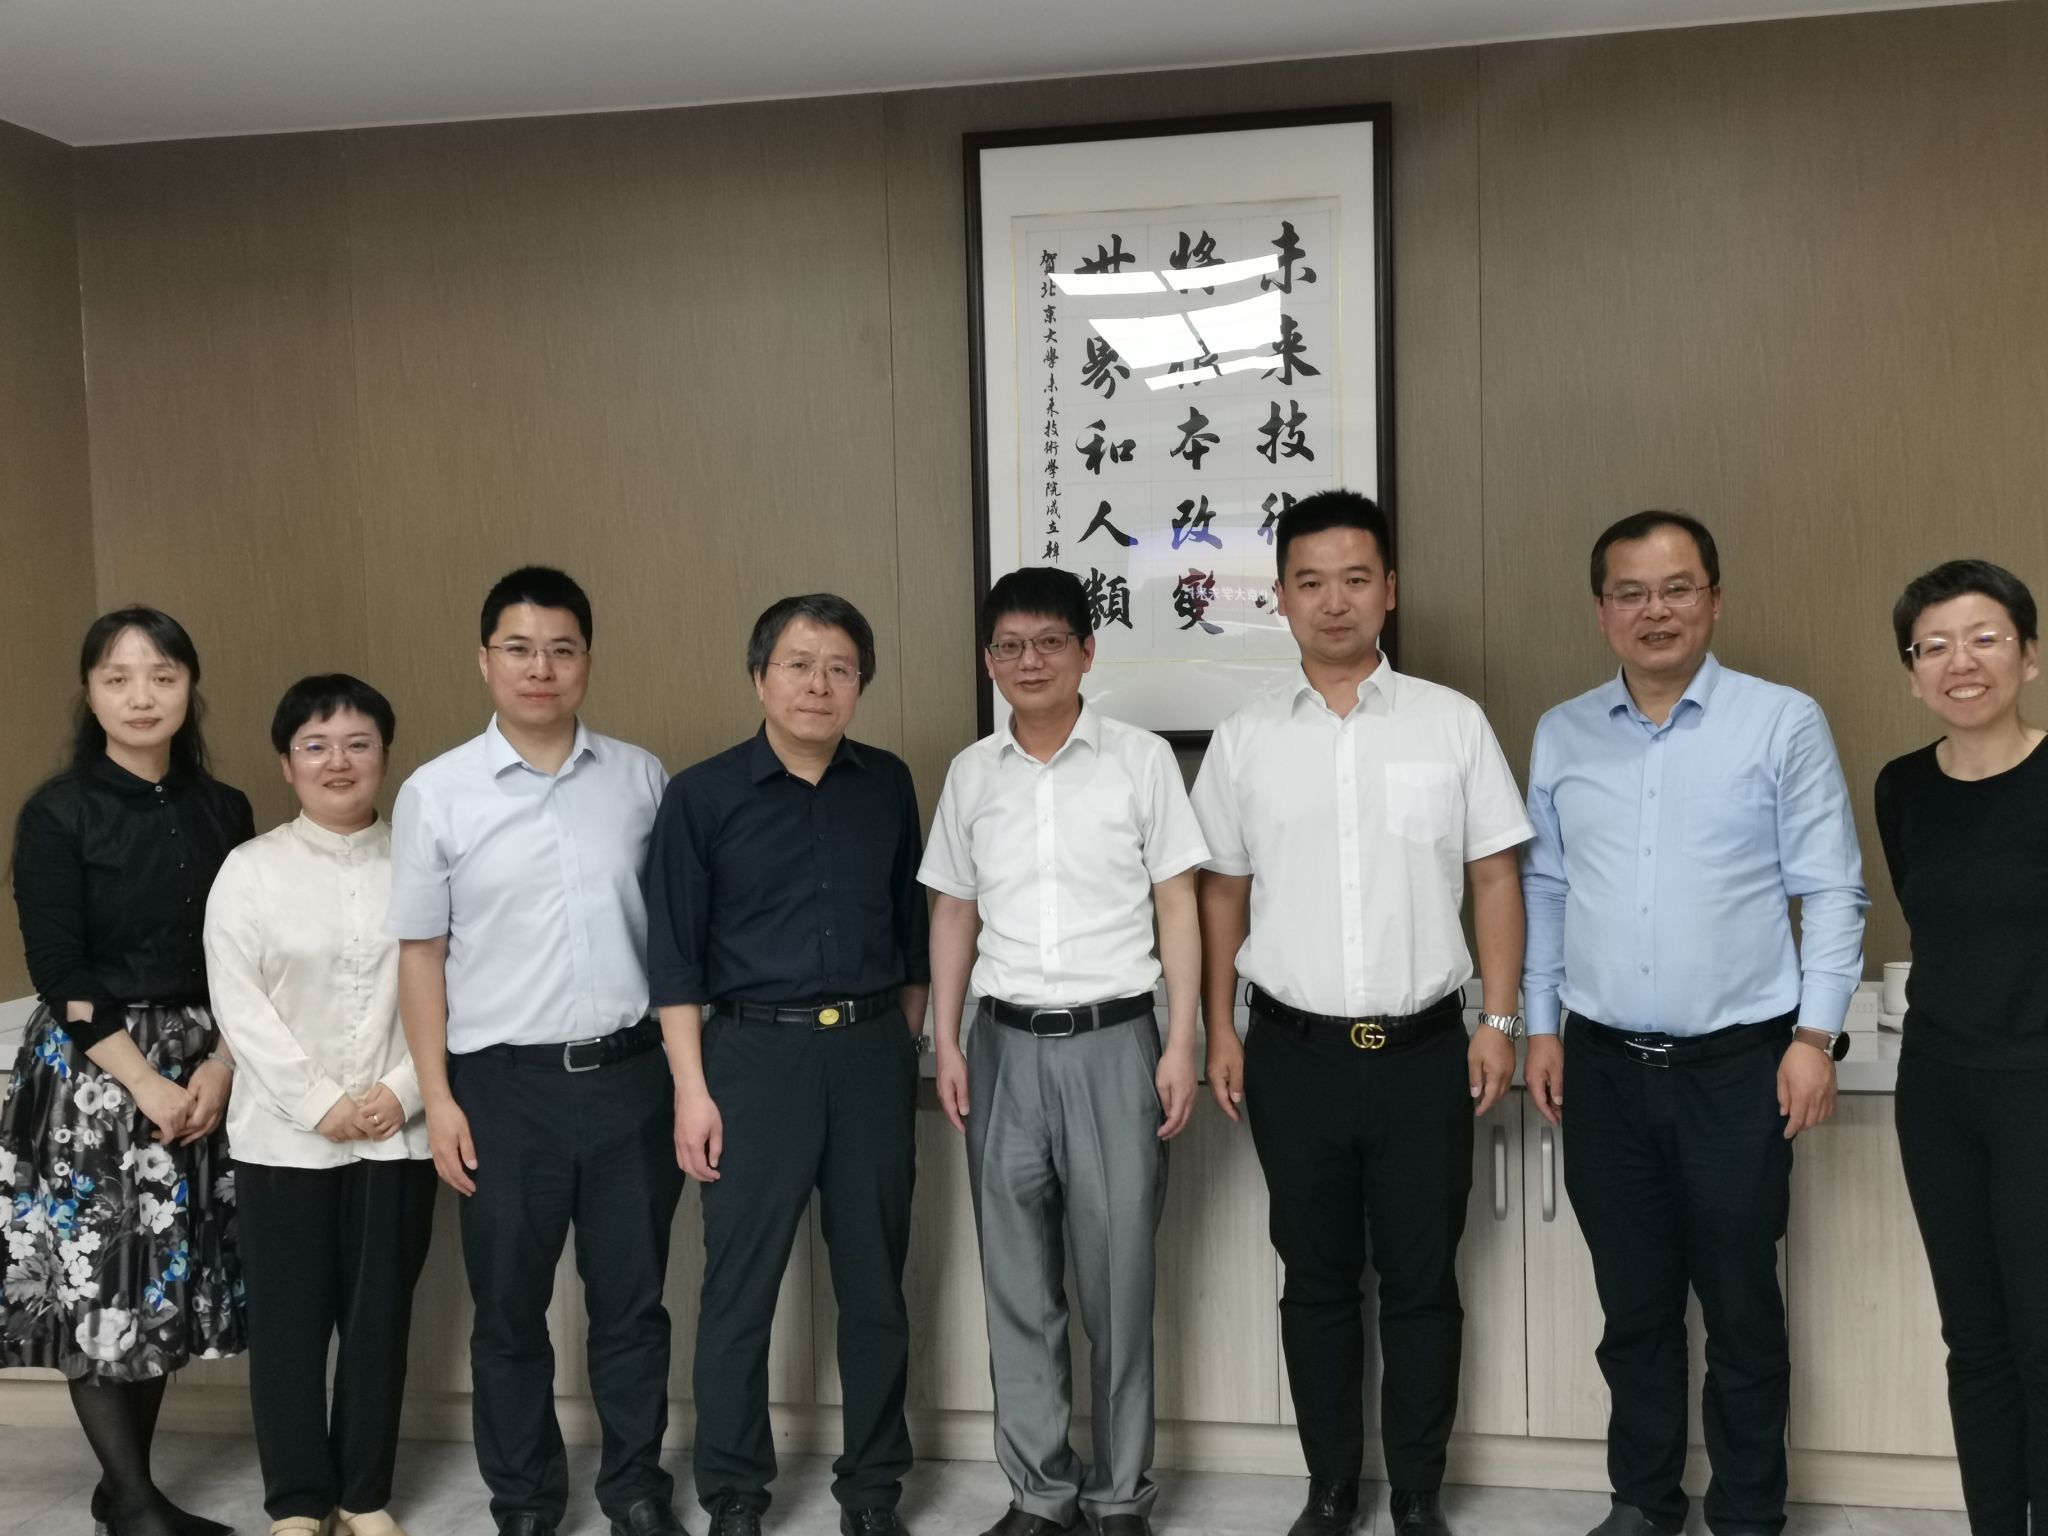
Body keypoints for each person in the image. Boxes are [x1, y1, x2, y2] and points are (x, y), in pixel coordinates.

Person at [1520, 511, 1867, 1536]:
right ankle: (1642, 1501)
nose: (1655, 610)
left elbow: (1830, 889)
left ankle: (1748, 1514)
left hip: (1738, 1066)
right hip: (1599, 1065)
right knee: (1632, 1310)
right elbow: (1545, 890)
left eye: (1677, 588)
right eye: (1630, 592)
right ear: (1601, 612)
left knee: (1741, 1309)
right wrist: (1538, 1026)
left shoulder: (1781, 722)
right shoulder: (1561, 731)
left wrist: (1814, 1039)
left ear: (1714, 598)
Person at [1192, 491, 1532, 1536]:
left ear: (1388, 589)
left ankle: (1418, 1493)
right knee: (1315, 1280)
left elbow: (1493, 878)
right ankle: (1331, 1487)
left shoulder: (1449, 722)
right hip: (1290, 1051)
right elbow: (1221, 895)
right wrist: (1218, 1029)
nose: (1332, 601)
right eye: (1309, 582)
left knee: (1425, 1282)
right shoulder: (1245, 738)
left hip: (1428, 1051)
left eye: (1353, 579)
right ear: (1280, 598)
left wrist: (1499, 1021)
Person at [385, 567, 677, 1536]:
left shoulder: (641, 780)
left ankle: (634, 1489)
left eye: (561, 648)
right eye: (518, 648)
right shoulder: (436, 793)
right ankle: (523, 1500)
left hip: (632, 1078)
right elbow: (420, 957)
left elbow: (674, 940)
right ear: (485, 661)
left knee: (632, 1306)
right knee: (509, 1313)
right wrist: (438, 1098)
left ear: (587, 660)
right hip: (502, 1091)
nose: (540, 667)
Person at [921, 567, 1208, 1536]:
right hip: (1000, 1046)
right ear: (987, 660)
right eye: (1009, 646)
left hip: (1115, 1043)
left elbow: (1177, 903)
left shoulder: (1139, 762)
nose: (1029, 661)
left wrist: (1181, 1038)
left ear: (1088, 651)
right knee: (1015, 1282)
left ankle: (1120, 1494)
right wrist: (946, 1040)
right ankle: (1040, 1493)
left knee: (1118, 1282)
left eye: (1049, 642)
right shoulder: (971, 774)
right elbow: (952, 911)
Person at [649, 593, 929, 1536]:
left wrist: (896, 1046)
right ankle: (734, 1490)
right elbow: (674, 961)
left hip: (869, 1052)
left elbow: (912, 936)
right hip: (750, 1058)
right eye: (799, 665)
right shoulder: (701, 796)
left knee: (875, 1286)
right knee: (739, 1290)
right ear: (759, 677)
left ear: (860, 684)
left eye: (840, 668)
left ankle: (873, 1489)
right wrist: (692, 1090)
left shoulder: (887, 784)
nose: (819, 684)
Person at [2, 607, 253, 1536]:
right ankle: (138, 1505)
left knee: (159, 1282)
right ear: (90, 693)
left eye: (162, 676)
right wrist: (144, 1082)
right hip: (94, 1073)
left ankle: (123, 1489)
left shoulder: (224, 808)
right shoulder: (57, 812)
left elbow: (245, 954)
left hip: (205, 1063)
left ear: (190, 688)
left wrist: (221, 1063)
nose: (141, 696)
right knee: (101, 1285)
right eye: (118, 678)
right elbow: (61, 971)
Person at [204, 675, 436, 1536]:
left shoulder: (423, 862)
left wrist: (402, 1091)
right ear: (287, 763)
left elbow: (458, 985)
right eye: (316, 745)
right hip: (281, 1138)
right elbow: (238, 1002)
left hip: (399, 1133)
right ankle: (298, 1502)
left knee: (379, 1323)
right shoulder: (250, 871)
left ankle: (364, 1496)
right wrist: (317, 1101)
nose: (338, 761)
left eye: (357, 744)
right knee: (290, 1327)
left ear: (385, 755)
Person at [1876, 558, 2048, 1535]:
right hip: (1937, 1090)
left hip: (2039, 1088)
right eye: (1933, 646)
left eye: (1984, 638)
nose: (1960, 662)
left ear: (2028, 655)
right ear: (1912, 674)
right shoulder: (1900, 787)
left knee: (2041, 1345)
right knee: (1973, 1342)